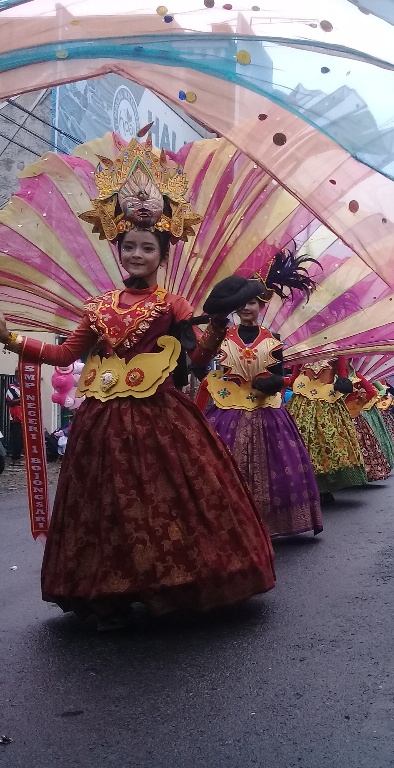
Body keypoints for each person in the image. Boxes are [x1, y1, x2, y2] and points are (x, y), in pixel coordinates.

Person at [0, 136, 275, 627]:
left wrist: (214, 324)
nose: (137, 253)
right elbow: (67, 354)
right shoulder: (98, 307)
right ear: (118, 251)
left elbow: (196, 364)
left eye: (147, 247)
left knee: (167, 502)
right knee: (106, 505)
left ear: (162, 253)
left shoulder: (173, 305)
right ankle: (109, 591)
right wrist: (15, 339)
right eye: (129, 246)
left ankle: (176, 583)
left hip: (160, 417)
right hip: (101, 422)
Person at [202, 264, 323, 538]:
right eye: (242, 303)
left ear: (261, 305)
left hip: (266, 410)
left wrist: (273, 382)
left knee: (277, 468)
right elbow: (210, 367)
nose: (247, 307)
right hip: (227, 410)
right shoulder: (223, 337)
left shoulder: (273, 341)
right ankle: (233, 522)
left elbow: (280, 375)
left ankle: (271, 522)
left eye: (252, 302)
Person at [287, 357, 366, 504]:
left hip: (327, 403)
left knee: (328, 444)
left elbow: (343, 376)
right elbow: (293, 377)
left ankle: (324, 487)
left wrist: (344, 383)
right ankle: (304, 486)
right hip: (301, 402)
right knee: (300, 443)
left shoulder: (335, 351)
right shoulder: (302, 351)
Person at [5, 376, 22, 463]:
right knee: (16, 437)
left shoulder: (25, 387)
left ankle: (20, 455)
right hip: (16, 417)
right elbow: (9, 402)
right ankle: (15, 458)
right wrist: (22, 399)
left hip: (25, 416)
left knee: (23, 437)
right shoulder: (12, 388)